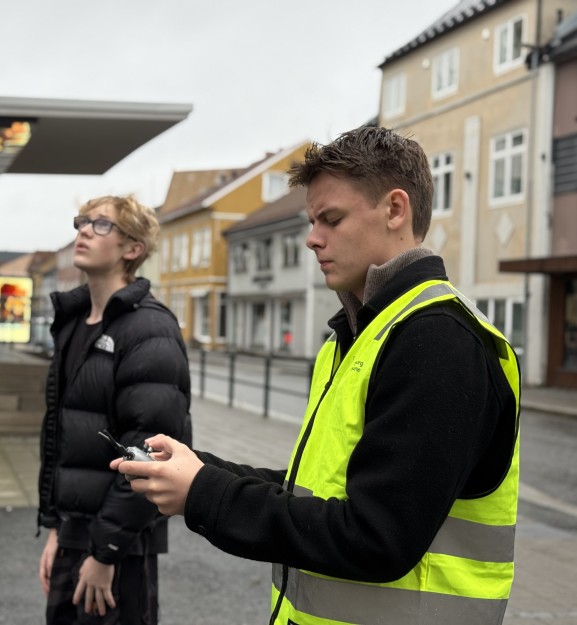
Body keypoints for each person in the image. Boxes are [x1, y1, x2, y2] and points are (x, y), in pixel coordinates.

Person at [114, 126, 521, 625]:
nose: (311, 239)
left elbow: (376, 536)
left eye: (331, 219)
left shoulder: (436, 340)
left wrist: (203, 493)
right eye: (312, 221)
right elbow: (316, 491)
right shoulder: (360, 335)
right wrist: (201, 469)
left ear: (396, 210)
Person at [37, 195, 192, 625]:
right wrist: (56, 530)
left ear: (133, 248)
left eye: (101, 225)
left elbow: (148, 453)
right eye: (82, 221)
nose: (84, 230)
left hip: (120, 549)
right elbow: (62, 438)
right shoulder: (73, 321)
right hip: (76, 535)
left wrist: (104, 552)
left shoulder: (149, 329)